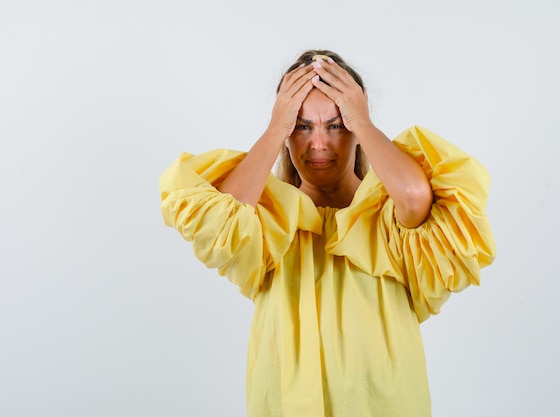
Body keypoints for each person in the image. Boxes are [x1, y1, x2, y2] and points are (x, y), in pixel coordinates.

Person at [159, 49, 496, 417]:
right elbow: (220, 222)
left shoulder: (386, 215)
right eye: (302, 126)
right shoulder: (269, 220)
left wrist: (363, 122)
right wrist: (275, 128)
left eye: (336, 125)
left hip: (382, 401)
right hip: (287, 402)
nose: (318, 144)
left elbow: (416, 197)